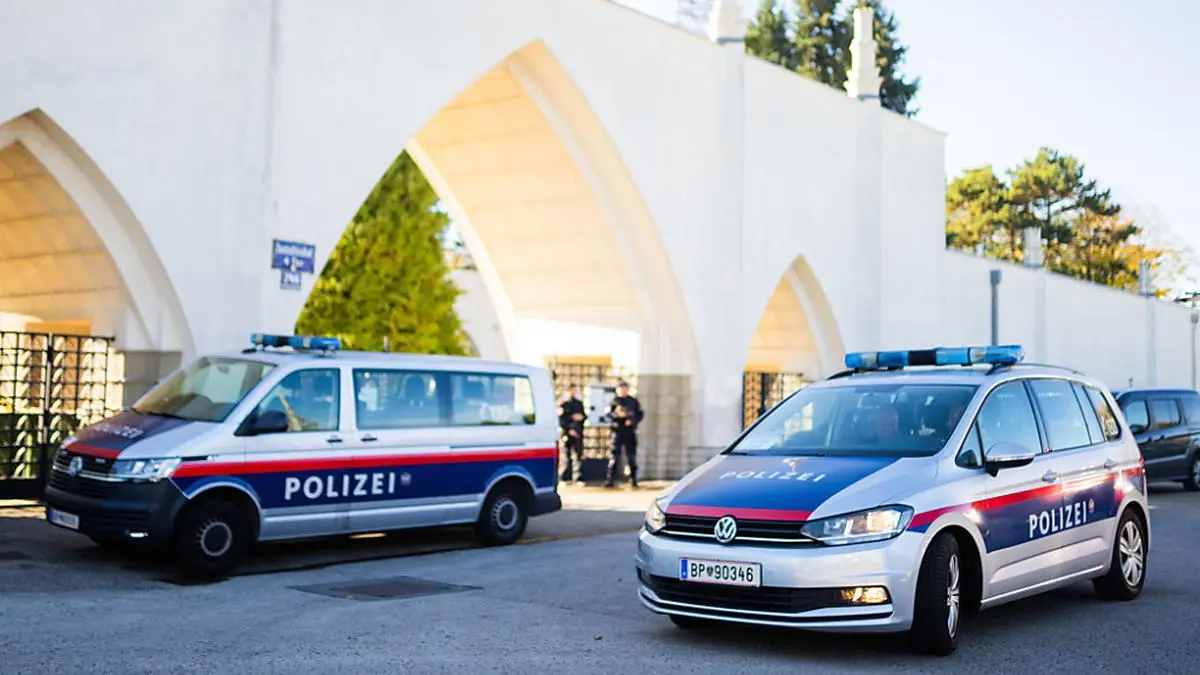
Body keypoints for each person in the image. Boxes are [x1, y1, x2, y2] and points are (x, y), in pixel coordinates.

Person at [605, 380, 644, 488]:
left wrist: (632, 420)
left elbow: (640, 414)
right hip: (617, 431)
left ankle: (633, 480)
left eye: (625, 389)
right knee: (614, 457)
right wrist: (617, 416)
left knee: (631, 457)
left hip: (629, 431)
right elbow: (608, 415)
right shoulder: (613, 401)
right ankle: (610, 480)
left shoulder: (633, 401)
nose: (623, 391)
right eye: (621, 389)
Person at [558, 384, 587, 485]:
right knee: (565, 456)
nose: (573, 392)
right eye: (571, 390)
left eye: (575, 390)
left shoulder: (579, 404)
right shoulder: (563, 404)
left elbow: (584, 416)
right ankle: (563, 477)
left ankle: (577, 478)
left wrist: (581, 417)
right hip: (566, 434)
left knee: (577, 455)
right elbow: (561, 420)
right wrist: (568, 429)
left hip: (577, 433)